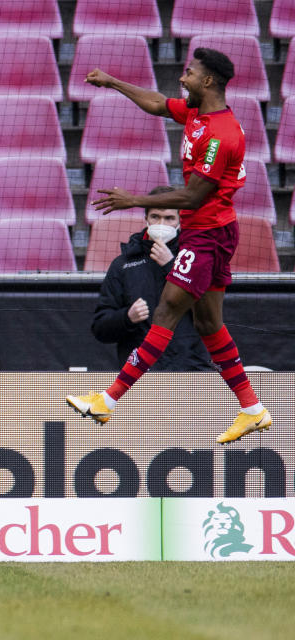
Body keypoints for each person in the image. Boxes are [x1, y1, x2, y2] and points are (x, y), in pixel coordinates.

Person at [67, 48, 271, 444]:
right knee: (209, 323)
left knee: (166, 310)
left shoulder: (221, 136)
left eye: (190, 73)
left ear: (208, 81)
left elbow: (193, 198)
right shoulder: (198, 114)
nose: (183, 78)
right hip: (214, 231)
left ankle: (107, 401)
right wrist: (112, 82)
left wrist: (136, 200)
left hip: (206, 234)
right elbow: (159, 104)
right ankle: (252, 409)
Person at [92, 186, 211, 371]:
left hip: (190, 370)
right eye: (155, 217)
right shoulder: (123, 264)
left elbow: (209, 312)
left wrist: (171, 267)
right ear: (146, 218)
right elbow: (100, 327)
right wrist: (127, 317)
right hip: (140, 373)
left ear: (180, 221)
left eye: (169, 218)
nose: (162, 223)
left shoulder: (197, 258)